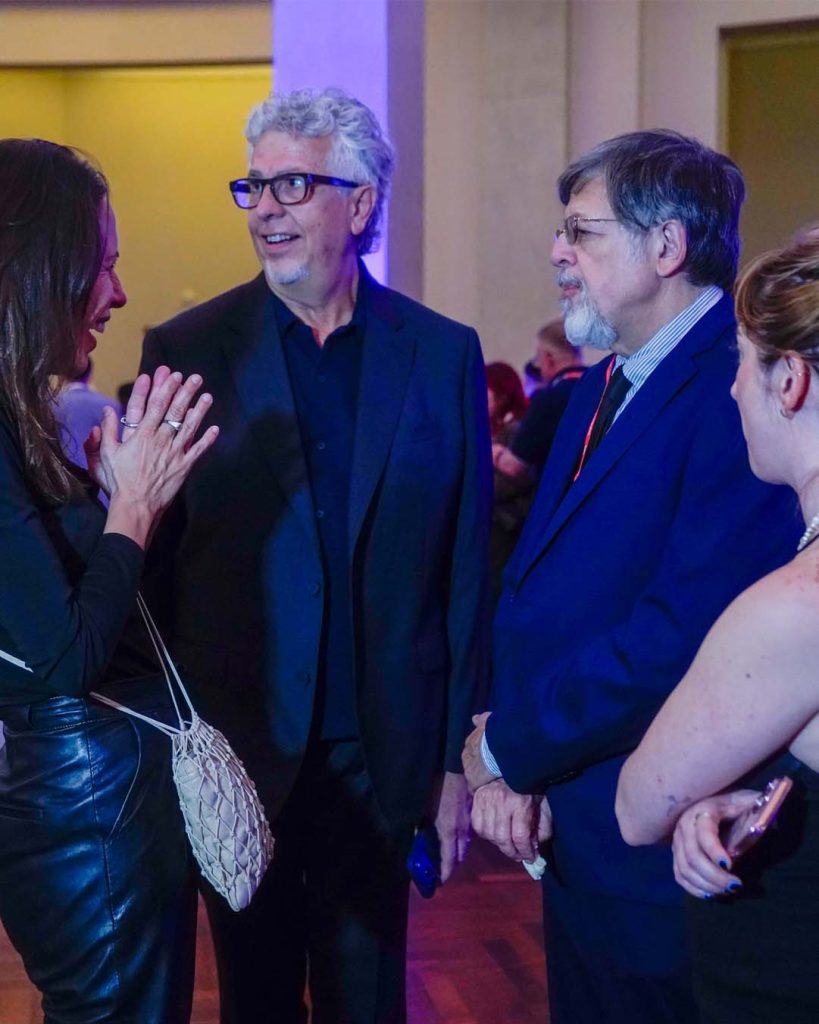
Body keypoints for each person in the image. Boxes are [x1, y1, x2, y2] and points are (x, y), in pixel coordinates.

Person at [139, 87, 491, 1024]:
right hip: (241, 750)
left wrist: (457, 761)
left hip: (386, 757)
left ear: (361, 202)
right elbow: (155, 570)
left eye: (292, 185)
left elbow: (463, 571)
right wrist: (171, 751)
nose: (265, 208)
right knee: (252, 1001)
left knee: (368, 1004)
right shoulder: (187, 349)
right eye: (252, 186)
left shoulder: (441, 354)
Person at [461, 129, 798, 1024]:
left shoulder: (735, 386)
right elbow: (545, 593)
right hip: (577, 821)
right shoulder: (602, 380)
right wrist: (518, 762)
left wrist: (508, 748)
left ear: (665, 246)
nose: (556, 251)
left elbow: (677, 633)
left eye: (581, 231)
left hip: (659, 847)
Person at [0, 138, 218, 1022]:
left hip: (97, 804)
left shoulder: (23, 414)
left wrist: (116, 501)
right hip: (83, 818)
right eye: (103, 265)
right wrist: (133, 505)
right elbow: (65, 659)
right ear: (39, 267)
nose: (119, 294)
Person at [616, 226, 819, 1024]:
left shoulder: (792, 609)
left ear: (789, 380)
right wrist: (758, 790)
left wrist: (697, 794)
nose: (733, 390)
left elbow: (639, 806)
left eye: (741, 360)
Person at [486, 362, 532, 602]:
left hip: (506, 528)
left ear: (502, 395)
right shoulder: (489, 430)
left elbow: (518, 478)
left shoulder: (515, 430)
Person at [54, 358, 122, 469]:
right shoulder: (109, 404)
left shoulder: (51, 404)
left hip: (60, 471)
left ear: (62, 375)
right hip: (98, 471)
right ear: (90, 374)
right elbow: (118, 443)